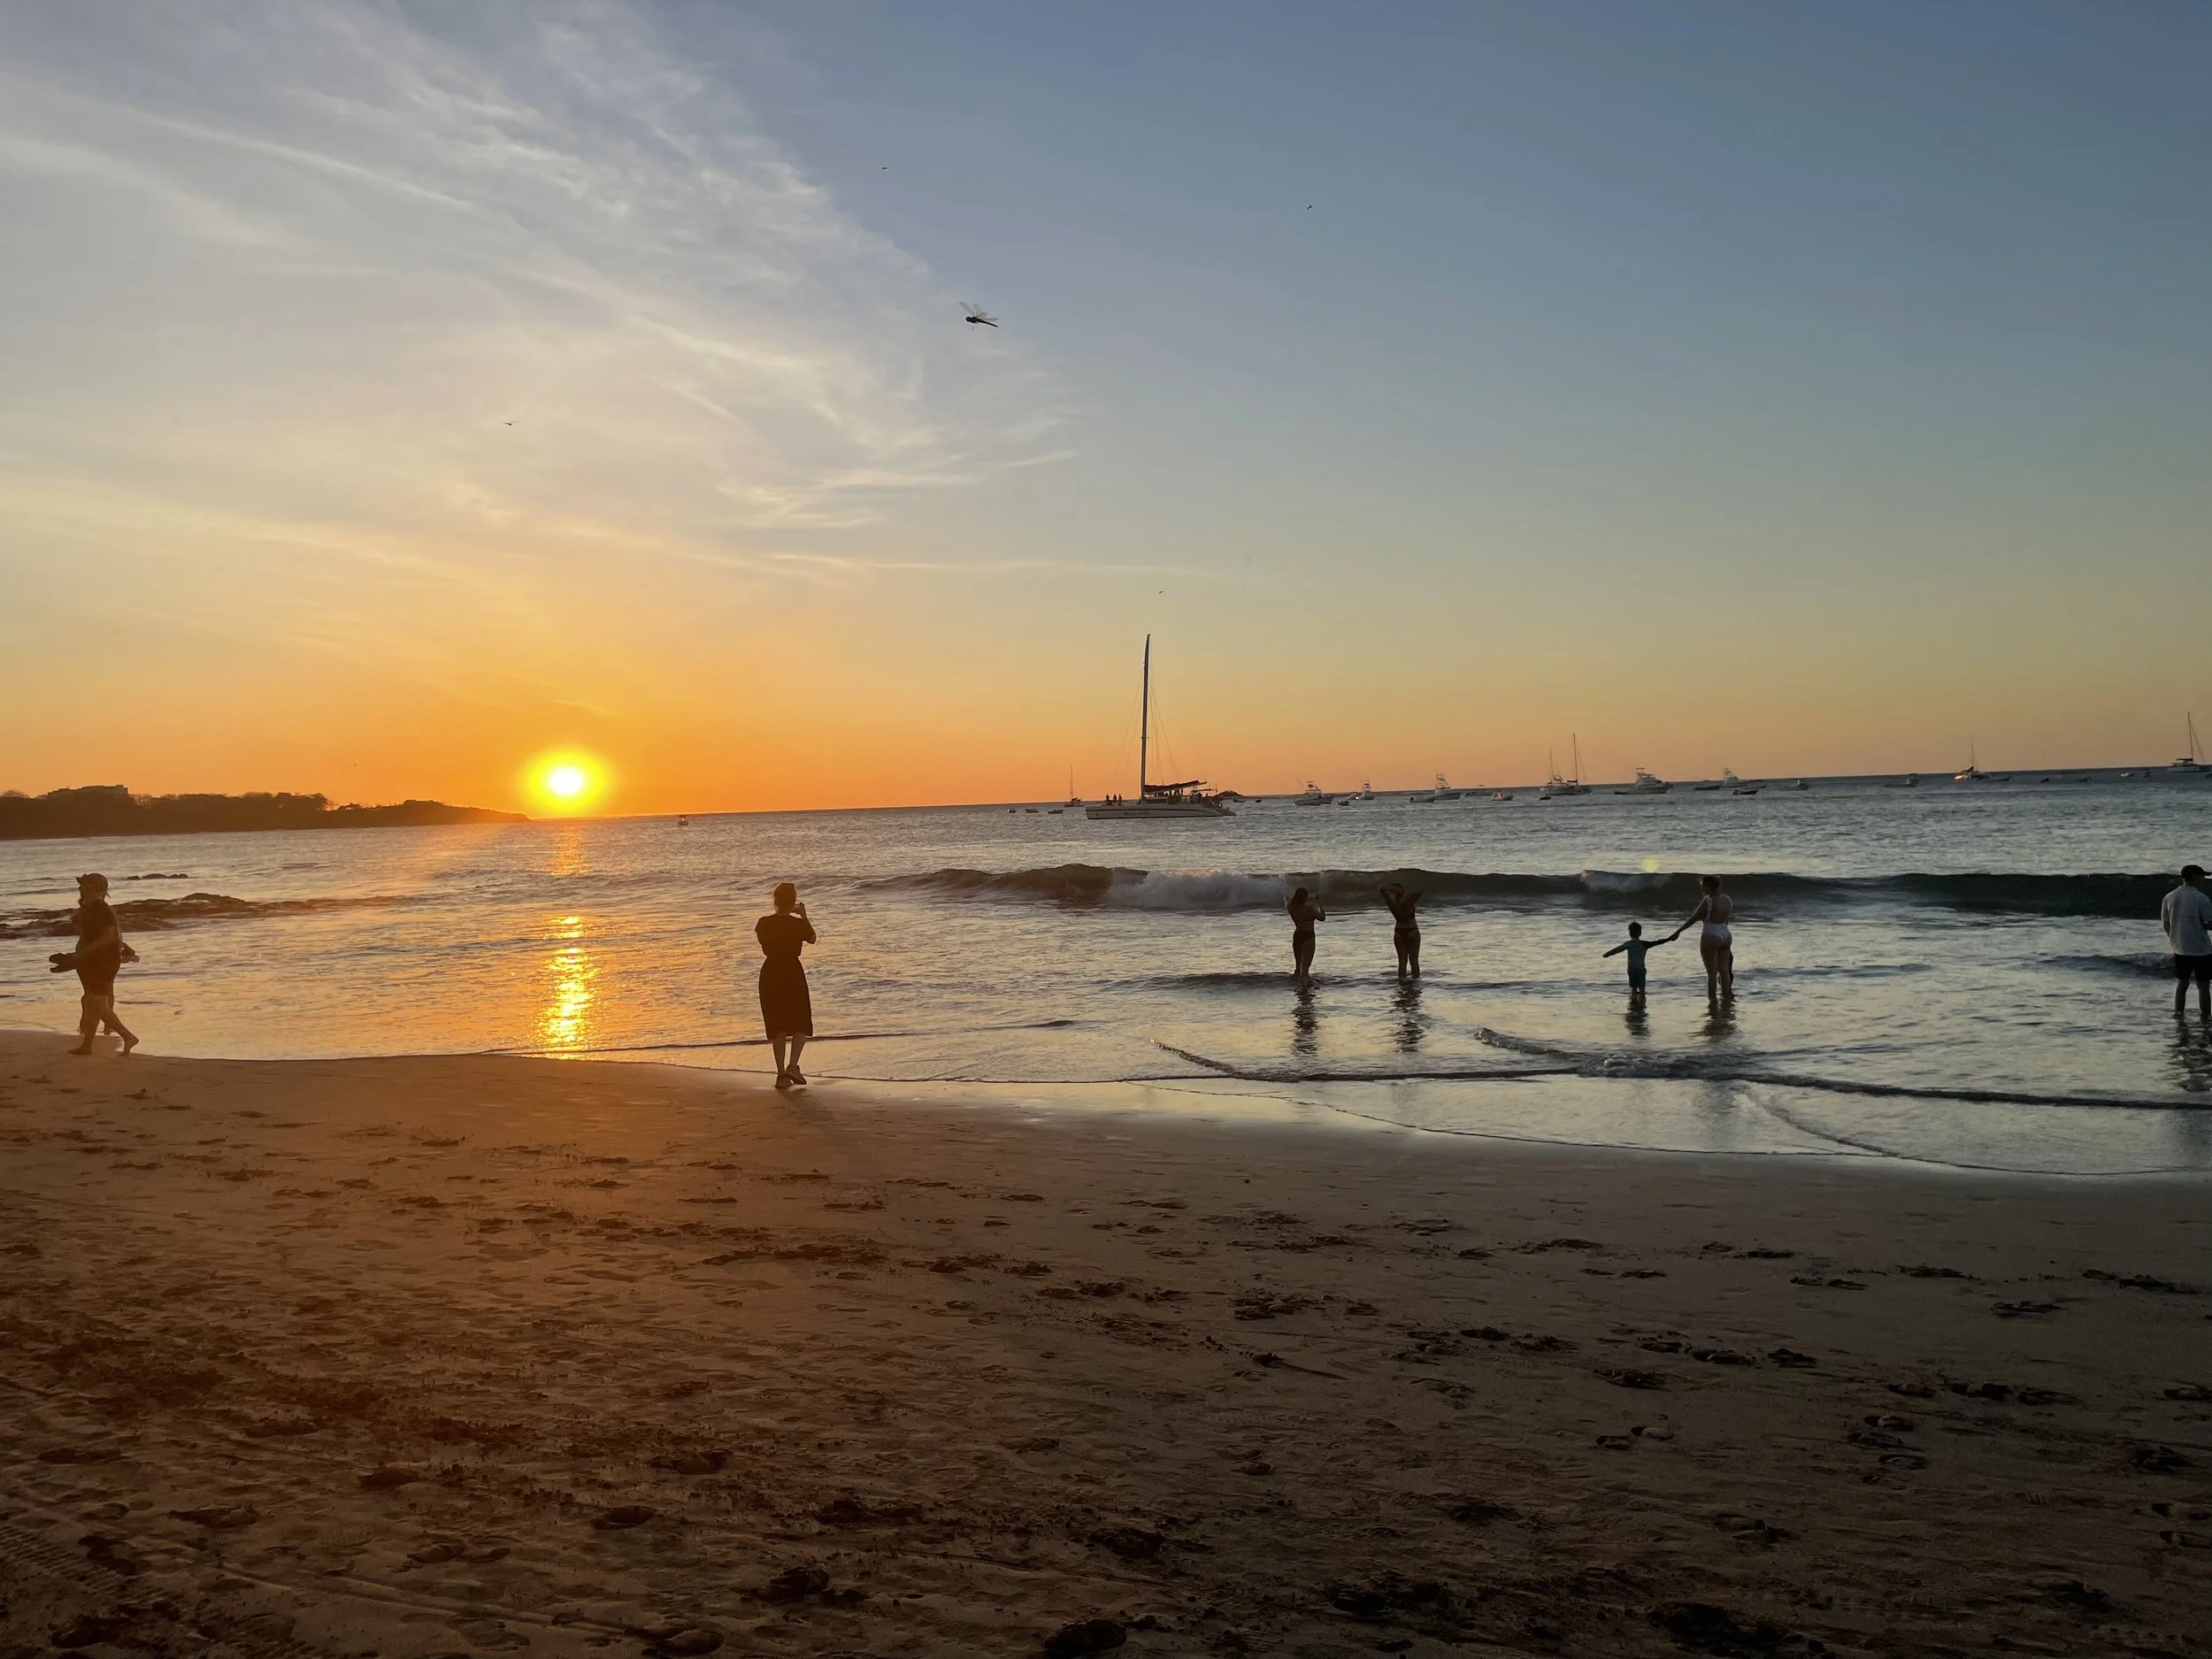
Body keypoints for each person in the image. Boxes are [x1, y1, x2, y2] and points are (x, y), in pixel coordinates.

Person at [48, 873, 138, 1056]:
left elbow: (110, 937)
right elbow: (91, 936)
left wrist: (80, 954)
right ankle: (87, 1045)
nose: (80, 889)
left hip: (103, 961)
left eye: (85, 885)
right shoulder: (88, 909)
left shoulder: (101, 909)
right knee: (90, 1002)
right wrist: (77, 958)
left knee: (97, 1004)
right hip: (90, 960)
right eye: (80, 886)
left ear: (95, 888)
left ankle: (128, 1037)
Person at [755, 882, 817, 1089]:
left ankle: (781, 1073)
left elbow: (765, 943)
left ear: (775, 901)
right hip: (792, 972)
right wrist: (803, 916)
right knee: (801, 1022)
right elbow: (813, 938)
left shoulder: (764, 923)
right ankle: (793, 1065)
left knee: (778, 1024)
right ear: (793, 902)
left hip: (771, 972)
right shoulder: (797, 925)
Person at [1668, 874, 1733, 1002]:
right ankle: (1727, 999)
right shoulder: (1727, 899)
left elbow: (1693, 918)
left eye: (1704, 887)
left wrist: (1678, 932)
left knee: (1712, 974)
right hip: (1726, 936)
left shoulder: (1708, 901)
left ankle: (1712, 1002)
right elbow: (1726, 919)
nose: (1702, 890)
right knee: (1724, 972)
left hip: (1711, 936)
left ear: (1710, 887)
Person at [2162, 863, 2212, 1017]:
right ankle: (2205, 1018)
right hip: (2201, 949)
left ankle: (2179, 1015)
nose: (2204, 879)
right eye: (2202, 876)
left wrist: (2175, 938)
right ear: (2194, 877)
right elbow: (2209, 923)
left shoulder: (2169, 896)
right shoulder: (2200, 898)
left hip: (2180, 948)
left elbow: (2166, 923)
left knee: (2181, 984)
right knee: (2203, 986)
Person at [1602, 920, 1669, 998]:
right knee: (1642, 990)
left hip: (1632, 969)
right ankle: (1642, 1004)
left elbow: (1617, 950)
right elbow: (1657, 942)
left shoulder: (1628, 944)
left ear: (1630, 933)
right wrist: (1669, 939)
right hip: (1641, 969)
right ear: (1640, 933)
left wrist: (1607, 954)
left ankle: (1633, 1005)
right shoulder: (1644, 944)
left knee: (1634, 989)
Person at [1379, 882, 1422, 979]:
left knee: (1402, 962)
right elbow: (1419, 891)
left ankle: (1402, 984)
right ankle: (1415, 985)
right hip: (1412, 930)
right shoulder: (1408, 901)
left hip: (1399, 932)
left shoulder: (1392, 903)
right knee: (1414, 962)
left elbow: (1381, 888)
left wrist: (1390, 888)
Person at [1286, 885, 1326, 985]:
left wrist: (1287, 900)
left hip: (1297, 935)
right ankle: (1304, 993)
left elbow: (1286, 901)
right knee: (1305, 970)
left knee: (1297, 968)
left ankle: (1297, 989)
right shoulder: (1308, 908)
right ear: (1305, 897)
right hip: (1308, 935)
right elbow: (1322, 918)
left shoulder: (1291, 907)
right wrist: (1319, 903)